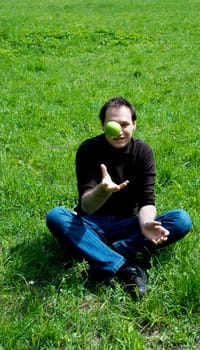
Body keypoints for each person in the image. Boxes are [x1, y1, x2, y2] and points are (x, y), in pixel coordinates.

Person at [46, 96, 192, 298]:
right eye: (113, 124)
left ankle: (100, 253)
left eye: (125, 124)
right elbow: (86, 206)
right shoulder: (89, 149)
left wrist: (147, 223)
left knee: (181, 220)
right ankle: (125, 267)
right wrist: (102, 190)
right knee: (56, 216)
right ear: (103, 125)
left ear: (134, 125)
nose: (120, 131)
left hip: (129, 224)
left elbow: (147, 200)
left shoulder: (143, 151)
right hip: (92, 223)